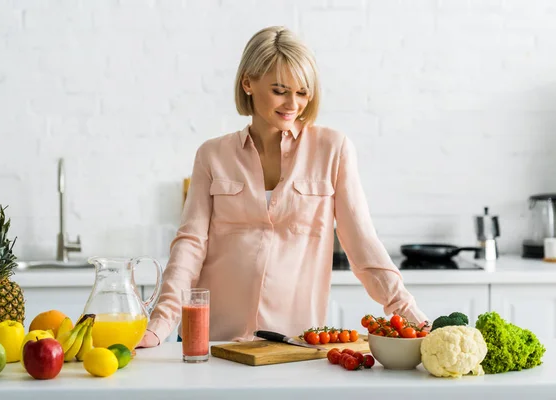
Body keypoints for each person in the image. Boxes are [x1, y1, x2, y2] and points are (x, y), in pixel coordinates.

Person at [137, 26, 428, 347]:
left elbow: (362, 245)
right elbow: (190, 246)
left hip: (295, 342)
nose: (293, 103)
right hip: (213, 339)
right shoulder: (212, 154)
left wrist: (413, 318)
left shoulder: (333, 149)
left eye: (303, 92)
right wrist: (159, 325)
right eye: (279, 90)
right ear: (248, 82)